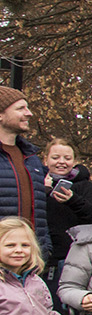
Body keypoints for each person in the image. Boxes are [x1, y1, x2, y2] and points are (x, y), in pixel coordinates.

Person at [40, 138, 92, 292]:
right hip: (46, 260)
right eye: (55, 157)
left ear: (75, 161)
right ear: (45, 160)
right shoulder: (35, 184)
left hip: (78, 259)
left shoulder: (85, 186)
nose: (61, 162)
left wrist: (73, 200)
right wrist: (44, 193)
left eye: (67, 158)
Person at [0, 86, 49, 260]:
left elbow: (40, 212)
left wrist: (44, 248)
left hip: (29, 258)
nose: (29, 113)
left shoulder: (32, 158)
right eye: (20, 108)